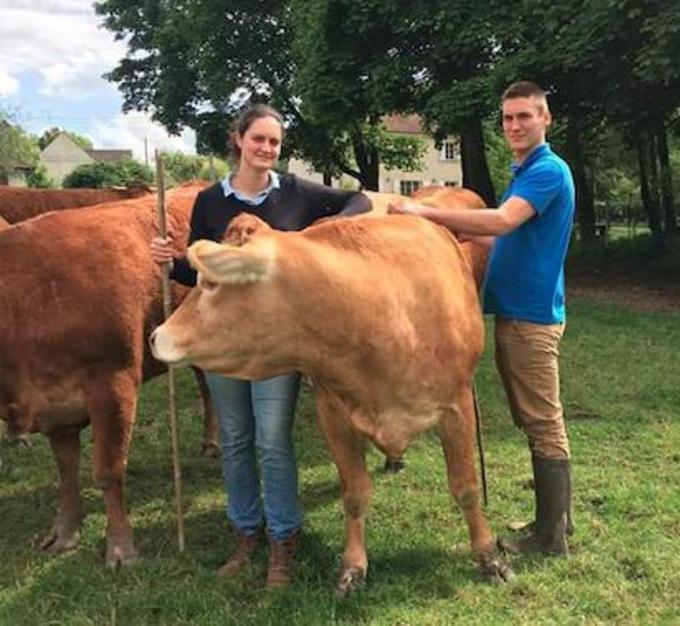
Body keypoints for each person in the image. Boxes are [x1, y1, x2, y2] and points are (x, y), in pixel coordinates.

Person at [151, 104, 371, 586]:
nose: (267, 149)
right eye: (259, 139)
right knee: (233, 440)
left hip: (274, 343)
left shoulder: (294, 193)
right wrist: (173, 260)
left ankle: (283, 541)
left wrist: (313, 240)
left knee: (272, 442)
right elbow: (198, 271)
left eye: (274, 142)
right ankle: (245, 533)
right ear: (239, 140)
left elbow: (359, 202)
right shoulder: (210, 201)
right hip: (224, 343)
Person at [389, 81, 575, 556]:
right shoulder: (526, 171)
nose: (514, 125)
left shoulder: (547, 171)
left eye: (524, 117)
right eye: (508, 118)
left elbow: (501, 222)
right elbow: (504, 241)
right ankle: (556, 521)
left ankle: (550, 537)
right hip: (519, 312)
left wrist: (423, 212)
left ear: (545, 119)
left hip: (531, 318)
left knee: (542, 420)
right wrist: (448, 247)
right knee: (533, 417)